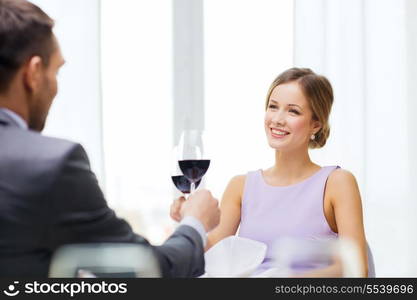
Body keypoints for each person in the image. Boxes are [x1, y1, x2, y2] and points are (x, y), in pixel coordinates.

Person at [0, 0, 220, 277]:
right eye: (56, 71)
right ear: (32, 73)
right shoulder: (50, 165)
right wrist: (195, 222)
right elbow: (149, 272)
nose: (56, 87)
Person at [203, 68, 369, 277]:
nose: (278, 119)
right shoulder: (241, 186)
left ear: (315, 124)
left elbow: (355, 269)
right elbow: (208, 256)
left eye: (293, 111)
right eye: (273, 107)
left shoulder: (337, 183)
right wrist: (190, 221)